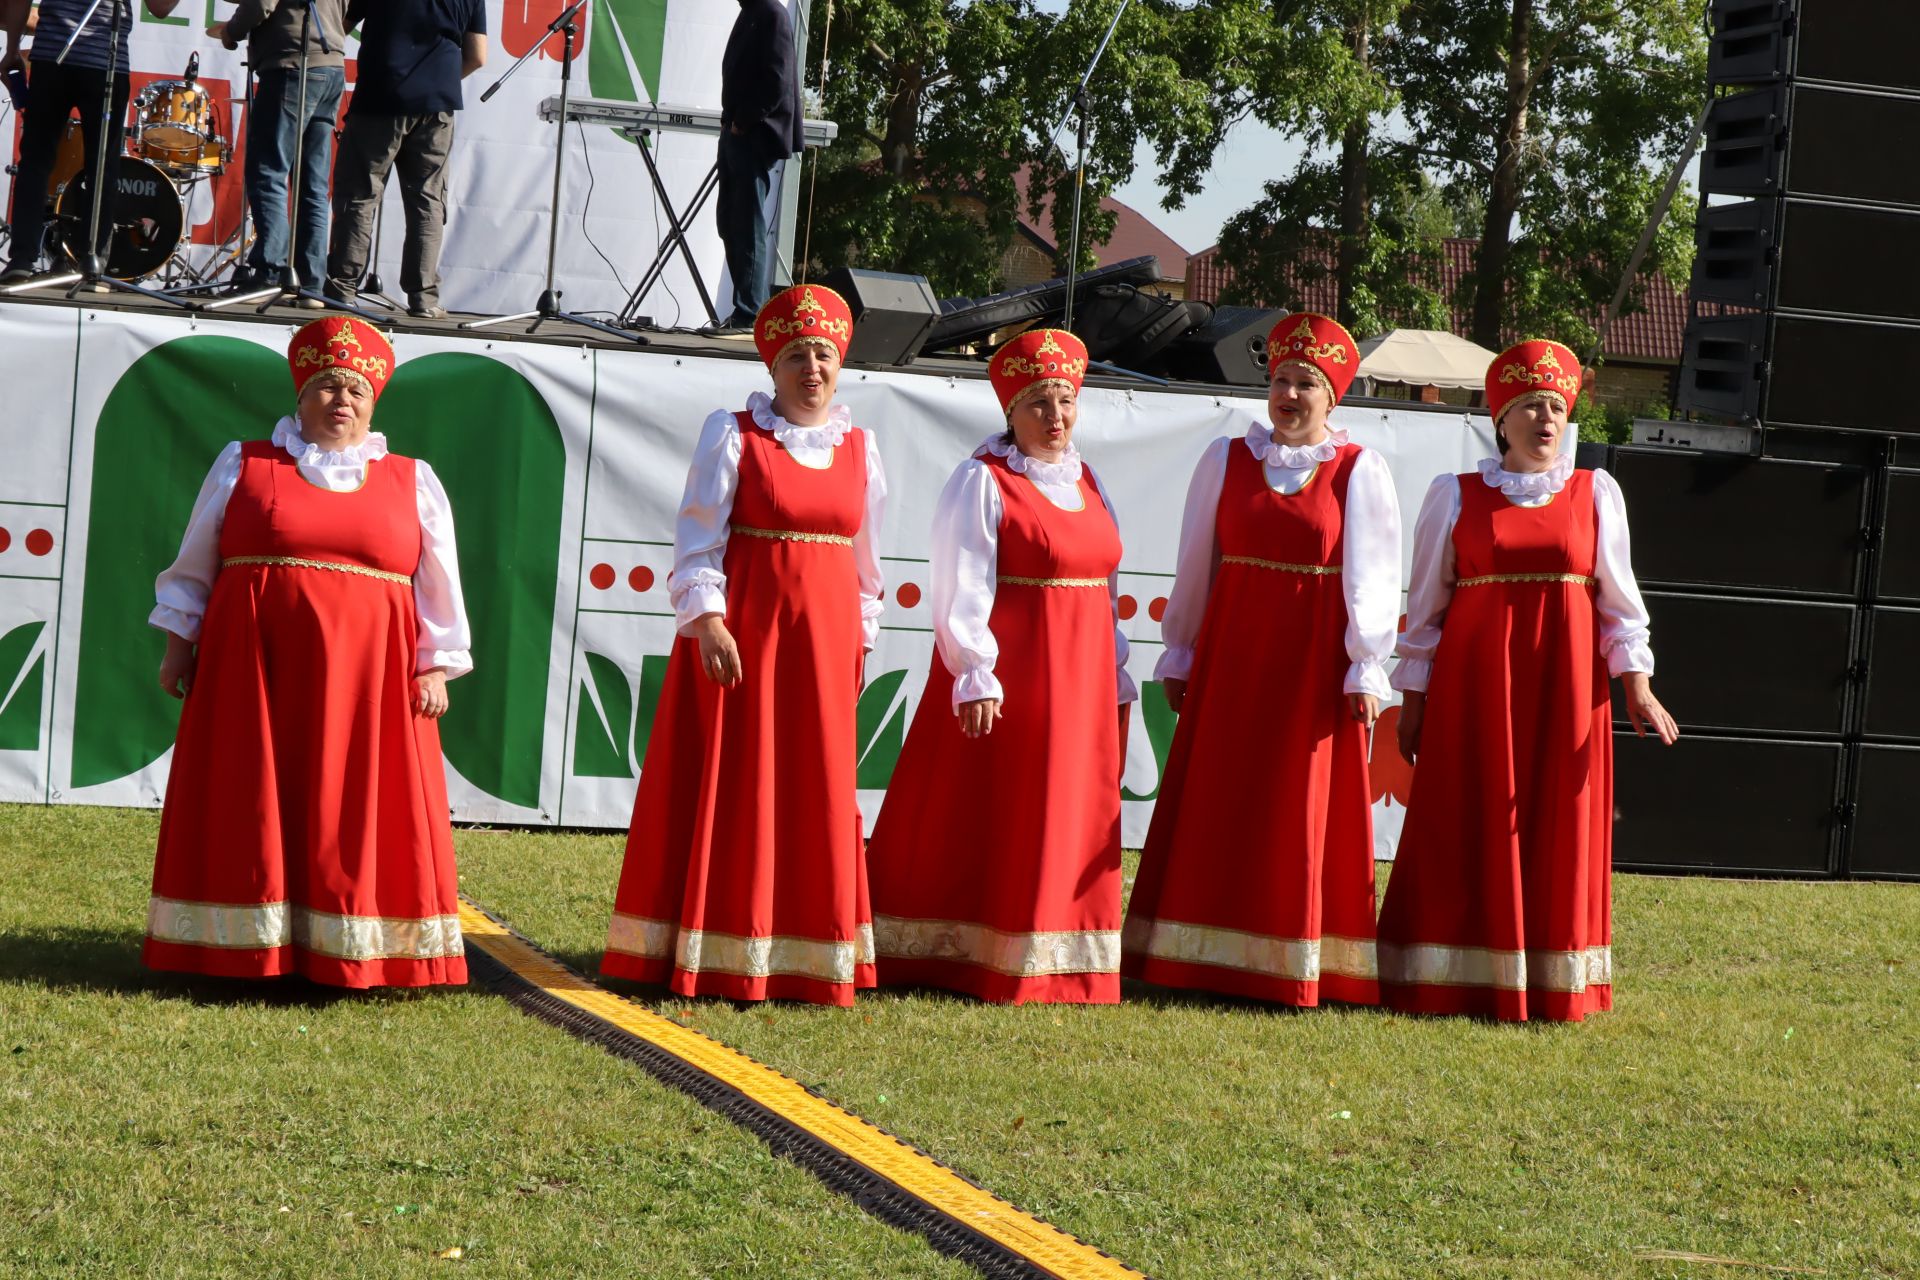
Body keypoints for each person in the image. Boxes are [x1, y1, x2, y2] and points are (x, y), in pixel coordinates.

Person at [145, 316, 473, 988]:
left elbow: (439, 584)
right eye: (325, 387)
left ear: (373, 402)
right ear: (300, 398)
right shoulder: (245, 463)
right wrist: (180, 645)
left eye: (354, 389)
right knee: (252, 797)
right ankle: (240, 946)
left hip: (369, 683)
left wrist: (434, 662)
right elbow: (195, 563)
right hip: (253, 671)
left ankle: (349, 947)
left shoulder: (412, 481)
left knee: (355, 806)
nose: (340, 400)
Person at [1375, 338, 1679, 1023]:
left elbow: (1620, 606)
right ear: (1502, 419)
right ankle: (1448, 971)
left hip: (1566, 687)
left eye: (1557, 407)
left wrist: (1638, 685)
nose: (1547, 420)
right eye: (1532, 407)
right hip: (1475, 685)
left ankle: (1550, 977)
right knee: (1469, 814)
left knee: (1555, 820)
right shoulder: (1453, 498)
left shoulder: (1594, 493)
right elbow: (1424, 613)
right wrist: (1414, 704)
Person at [602, 284, 887, 1006]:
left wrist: (860, 638)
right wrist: (711, 621)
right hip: (748, 641)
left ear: (840, 363)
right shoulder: (734, 434)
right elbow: (697, 545)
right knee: (740, 783)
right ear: (773, 367)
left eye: (823, 354)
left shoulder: (861, 448)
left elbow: (866, 567)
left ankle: (809, 950)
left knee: (813, 791)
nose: (812, 368)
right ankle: (721, 941)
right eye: (797, 356)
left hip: (824, 647)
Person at [1121, 312, 1401, 1008]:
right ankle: (1194, 954)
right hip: (1234, 652)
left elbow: (1372, 574)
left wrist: (1365, 664)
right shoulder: (1226, 459)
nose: (1291, 394)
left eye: (1307, 383)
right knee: (1222, 793)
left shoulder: (1358, 470)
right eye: (1281, 380)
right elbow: (1196, 564)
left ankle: (1291, 960)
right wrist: (1180, 652)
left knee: (1294, 802)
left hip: (1309, 661)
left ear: (1332, 397)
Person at [866, 328, 1139, 1005]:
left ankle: (1064, 960)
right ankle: (968, 953)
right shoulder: (983, 481)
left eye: (1065, 401)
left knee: (1069, 811)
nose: (1055, 418)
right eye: (1039, 403)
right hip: (1019, 677)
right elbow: (962, 581)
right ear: (1011, 411)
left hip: (1079, 676)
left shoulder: (1089, 480)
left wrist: (1117, 665)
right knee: (1002, 812)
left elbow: (1103, 586)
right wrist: (975, 671)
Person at [0, 0, 183, 286]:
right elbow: (160, 7)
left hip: (53, 59)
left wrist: (12, 50)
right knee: (101, 166)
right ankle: (93, 260)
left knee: (37, 161)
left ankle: (22, 259)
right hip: (102, 64)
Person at [324, 0, 486, 319]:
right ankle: (423, 298)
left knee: (359, 195)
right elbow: (478, 56)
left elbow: (334, 27)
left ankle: (341, 289)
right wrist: (441, 81)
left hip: (380, 96)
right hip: (437, 104)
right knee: (427, 200)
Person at [210, 0, 349, 300]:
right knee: (312, 184)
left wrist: (232, 32)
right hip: (331, 67)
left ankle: (271, 271)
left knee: (268, 172)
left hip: (293, 65)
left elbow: (260, 4)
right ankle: (311, 283)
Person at [716, 0, 802, 330]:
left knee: (748, 223)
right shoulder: (751, 13)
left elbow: (777, 80)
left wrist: (744, 121)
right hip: (736, 132)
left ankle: (749, 313)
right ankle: (744, 310)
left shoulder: (772, 13)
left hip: (753, 134)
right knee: (729, 220)